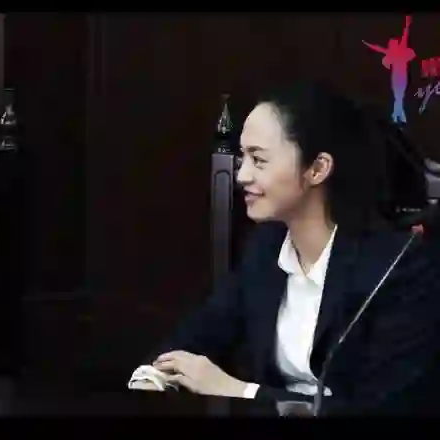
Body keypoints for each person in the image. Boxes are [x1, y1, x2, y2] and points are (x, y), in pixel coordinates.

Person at [129, 82, 440, 415]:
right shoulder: (266, 246)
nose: (241, 176)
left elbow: (382, 408)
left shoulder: (400, 267)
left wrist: (240, 390)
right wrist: (153, 375)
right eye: (242, 157)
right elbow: (205, 327)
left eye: (258, 160)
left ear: (317, 168)